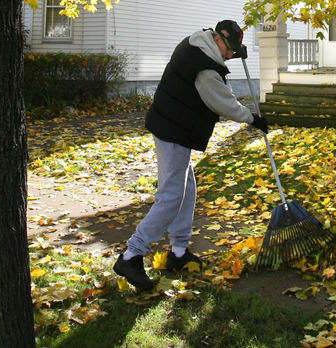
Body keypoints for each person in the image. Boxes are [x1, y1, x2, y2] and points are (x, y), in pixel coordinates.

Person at [113, 19, 269, 290]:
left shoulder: (197, 42)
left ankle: (178, 252)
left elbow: (215, 63)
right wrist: (252, 119)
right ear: (218, 39)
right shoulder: (204, 68)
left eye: (234, 50)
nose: (230, 54)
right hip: (173, 129)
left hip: (172, 125)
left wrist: (232, 54)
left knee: (187, 188)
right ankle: (131, 255)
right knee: (171, 195)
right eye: (229, 48)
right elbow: (222, 101)